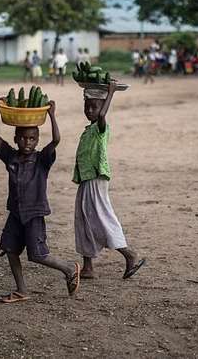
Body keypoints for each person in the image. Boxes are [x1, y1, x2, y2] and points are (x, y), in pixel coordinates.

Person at [0, 100, 81, 303]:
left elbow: (56, 140)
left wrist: (52, 115)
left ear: (37, 140)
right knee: (10, 250)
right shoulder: (10, 156)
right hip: (15, 213)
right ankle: (21, 290)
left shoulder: (42, 160)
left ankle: (68, 269)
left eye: (32, 139)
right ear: (15, 139)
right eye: (22, 138)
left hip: (34, 214)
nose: (27, 142)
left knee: (37, 255)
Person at [74, 82, 146, 280]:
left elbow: (103, 115)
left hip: (96, 180)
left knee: (101, 218)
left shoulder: (100, 128)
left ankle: (128, 253)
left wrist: (111, 93)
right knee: (83, 220)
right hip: (86, 180)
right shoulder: (88, 130)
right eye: (87, 106)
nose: (90, 110)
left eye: (94, 107)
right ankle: (88, 266)